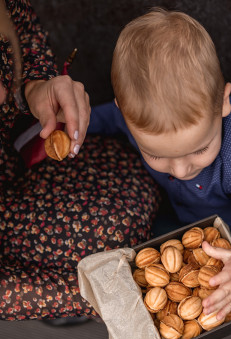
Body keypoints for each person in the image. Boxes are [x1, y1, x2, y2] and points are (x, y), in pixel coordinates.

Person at [88, 8, 231, 321]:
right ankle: (83, 302)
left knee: (218, 289)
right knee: (121, 266)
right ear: (126, 115)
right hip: (170, 213)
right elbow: (104, 119)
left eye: (200, 149)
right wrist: (64, 128)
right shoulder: (136, 119)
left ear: (223, 102)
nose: (181, 170)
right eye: (158, 155)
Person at [0, 0, 160, 321]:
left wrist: (37, 84)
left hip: (13, 167)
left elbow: (25, 31)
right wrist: (87, 296)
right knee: (109, 258)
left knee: (127, 204)